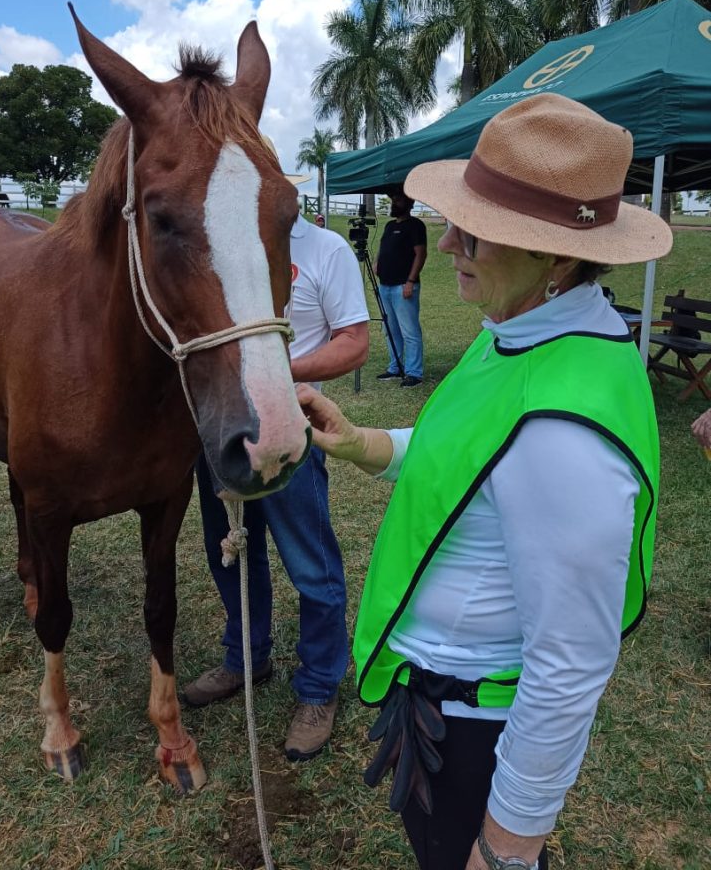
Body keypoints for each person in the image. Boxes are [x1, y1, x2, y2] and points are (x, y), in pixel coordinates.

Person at [296, 94, 673, 869]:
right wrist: (368, 443)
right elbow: (469, 455)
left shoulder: (564, 429)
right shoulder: (523, 331)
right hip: (441, 705)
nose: (450, 239)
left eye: (481, 230)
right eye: (457, 216)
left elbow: (569, 667)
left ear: (556, 258)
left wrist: (505, 846)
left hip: (473, 731)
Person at [184, 207, 369, 761]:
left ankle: (318, 689)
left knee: (312, 566)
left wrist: (270, 372)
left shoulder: (325, 250)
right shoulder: (216, 246)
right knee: (233, 555)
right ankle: (246, 657)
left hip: (289, 426)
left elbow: (355, 340)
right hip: (221, 430)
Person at [375, 191, 427, 387]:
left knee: (409, 331)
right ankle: (395, 368)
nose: (393, 203)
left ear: (409, 203)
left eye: (397, 200)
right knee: (391, 330)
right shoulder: (389, 226)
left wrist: (411, 281)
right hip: (385, 286)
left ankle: (414, 373)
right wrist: (376, 262)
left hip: (403, 287)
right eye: (393, 200)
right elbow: (382, 248)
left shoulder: (415, 226)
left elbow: (420, 254)